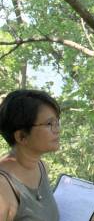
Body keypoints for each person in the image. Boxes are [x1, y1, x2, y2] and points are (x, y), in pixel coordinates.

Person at [0, 89, 60, 221]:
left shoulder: (41, 167)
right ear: (21, 136)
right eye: (49, 124)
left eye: (57, 122)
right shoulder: (3, 187)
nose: (57, 130)